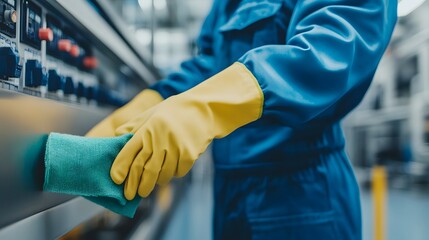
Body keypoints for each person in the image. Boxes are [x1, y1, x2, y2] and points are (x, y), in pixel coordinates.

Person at [87, 0, 397, 239]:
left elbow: (331, 51)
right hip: (231, 193)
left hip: (301, 197)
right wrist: (154, 100)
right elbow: (211, 61)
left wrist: (206, 107)